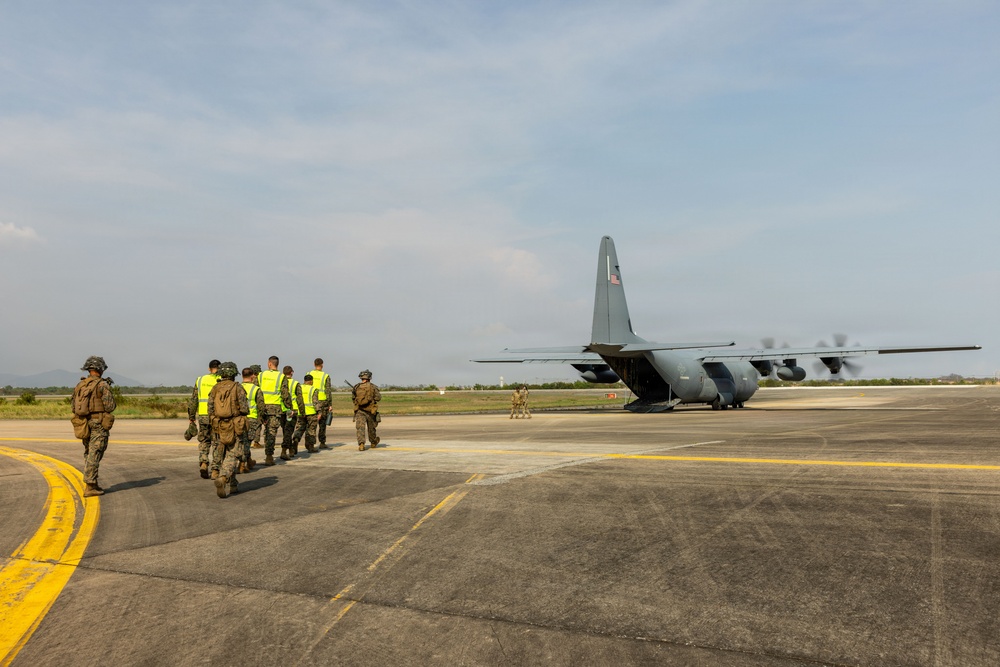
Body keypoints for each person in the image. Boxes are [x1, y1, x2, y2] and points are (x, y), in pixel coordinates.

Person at [70, 356, 117, 497]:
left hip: (84, 423)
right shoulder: (102, 385)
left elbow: (73, 406)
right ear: (100, 369)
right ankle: (90, 485)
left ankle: (93, 482)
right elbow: (110, 406)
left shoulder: (80, 385)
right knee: (95, 453)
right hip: (98, 423)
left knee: (89, 452)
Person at [207, 362, 249, 498]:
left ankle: (233, 484)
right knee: (233, 455)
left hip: (218, 426)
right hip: (235, 426)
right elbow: (244, 408)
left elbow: (210, 409)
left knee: (223, 454)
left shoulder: (215, 388)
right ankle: (223, 478)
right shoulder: (238, 388)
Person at [188, 359, 220, 479]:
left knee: (204, 441)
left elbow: (193, 400)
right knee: (217, 442)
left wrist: (191, 417)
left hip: (203, 415)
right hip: (217, 417)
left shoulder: (200, 380)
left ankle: (203, 462)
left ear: (209, 369)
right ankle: (215, 469)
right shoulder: (221, 380)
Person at [258, 356, 291, 466]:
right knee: (271, 432)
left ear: (269, 363)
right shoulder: (281, 377)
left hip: (261, 408)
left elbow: (256, 391)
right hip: (275, 408)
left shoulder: (261, 375)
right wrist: (289, 408)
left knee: (265, 432)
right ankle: (269, 456)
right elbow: (285, 395)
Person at [239, 367, 264, 473]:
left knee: (242, 441)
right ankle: (242, 464)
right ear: (252, 376)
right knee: (247, 442)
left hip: (239, 419)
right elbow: (261, 406)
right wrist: (262, 418)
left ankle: (248, 461)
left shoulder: (237, 387)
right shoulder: (256, 389)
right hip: (252, 418)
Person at [352, 369, 381, 451]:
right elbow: (378, 398)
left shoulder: (356, 387)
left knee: (360, 428)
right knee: (371, 428)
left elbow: (353, 399)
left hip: (360, 410)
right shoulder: (373, 387)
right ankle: (373, 442)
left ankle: (361, 444)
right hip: (370, 410)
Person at [292, 374, 319, 453]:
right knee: (311, 430)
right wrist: (319, 411)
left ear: (304, 381)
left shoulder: (299, 388)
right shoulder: (313, 389)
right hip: (311, 412)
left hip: (301, 412)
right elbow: (315, 402)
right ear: (311, 381)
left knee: (299, 428)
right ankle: (310, 447)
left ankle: (296, 440)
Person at [311, 358, 333, 449]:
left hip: (312, 401)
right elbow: (328, 390)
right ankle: (322, 442)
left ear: (314, 364)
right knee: (322, 424)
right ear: (322, 365)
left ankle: (311, 443)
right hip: (323, 401)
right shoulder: (325, 376)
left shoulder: (309, 374)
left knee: (312, 423)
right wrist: (330, 404)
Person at [281, 365, 299, 459]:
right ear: (291, 372)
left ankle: (290, 449)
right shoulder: (295, 383)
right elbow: (299, 398)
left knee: (285, 431)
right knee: (289, 432)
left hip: (281, 409)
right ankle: (284, 450)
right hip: (292, 410)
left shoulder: (280, 382)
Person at [249, 364, 265, 449]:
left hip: (247, 408)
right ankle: (256, 441)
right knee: (258, 424)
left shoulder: (246, 382)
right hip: (255, 408)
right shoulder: (258, 381)